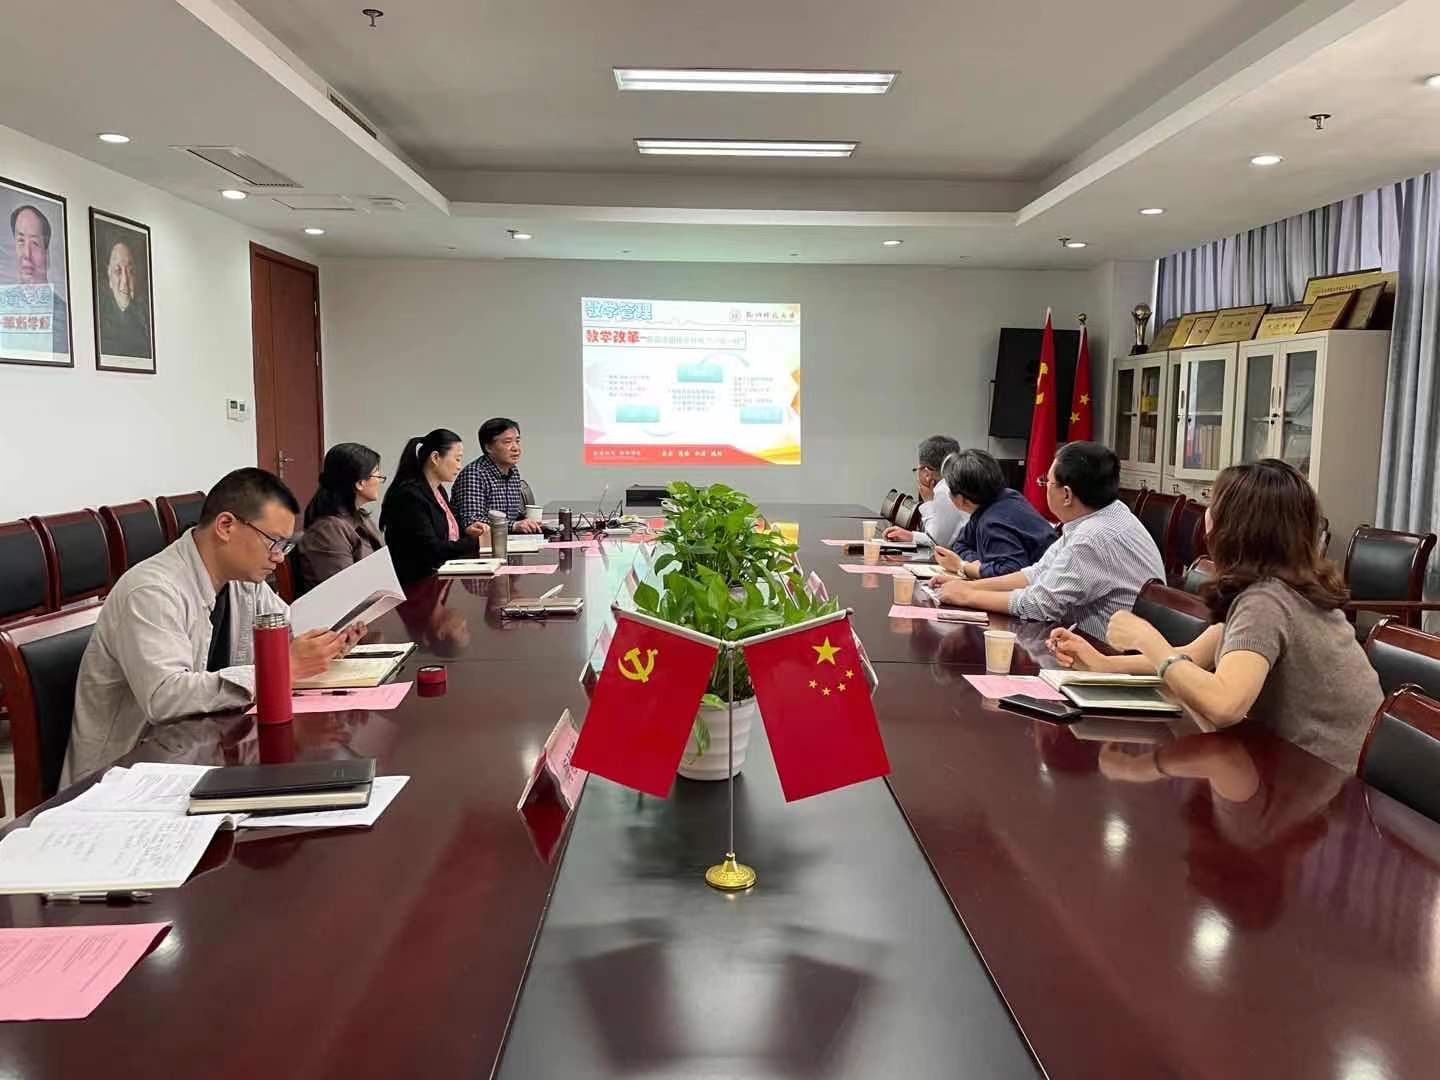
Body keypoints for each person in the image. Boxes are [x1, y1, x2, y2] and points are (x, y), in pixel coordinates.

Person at [1048, 458, 1383, 773]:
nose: (1206, 513)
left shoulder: (1266, 602)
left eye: (1214, 503)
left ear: (1237, 526)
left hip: (1324, 780)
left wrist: (1146, 639)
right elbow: (1191, 658)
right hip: (1309, 770)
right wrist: (1103, 663)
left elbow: (1224, 706)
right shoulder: (1279, 586)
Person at [65, 468, 363, 783]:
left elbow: (289, 630)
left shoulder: (244, 581)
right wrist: (281, 669)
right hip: (123, 777)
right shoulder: (152, 590)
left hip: (204, 753)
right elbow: (165, 697)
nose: (279, 558)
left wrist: (328, 640)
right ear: (225, 526)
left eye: (284, 546)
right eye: (273, 542)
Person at [933, 441, 1164, 636]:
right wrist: (967, 585)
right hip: (1087, 642)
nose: (1045, 487)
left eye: (1048, 482)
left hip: (1108, 655)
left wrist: (969, 595)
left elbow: (1039, 605)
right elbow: (1036, 574)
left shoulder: (1092, 537)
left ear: (1067, 495)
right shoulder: (1107, 514)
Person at [379, 428, 490, 584]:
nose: (459, 466)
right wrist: (477, 542)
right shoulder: (409, 496)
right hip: (418, 583)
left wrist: (467, 531)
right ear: (435, 457)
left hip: (442, 576)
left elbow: (446, 532)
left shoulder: (438, 490)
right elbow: (431, 549)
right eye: (457, 459)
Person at [931, 448, 1056, 578]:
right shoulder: (1004, 497)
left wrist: (963, 566)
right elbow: (961, 544)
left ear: (961, 499)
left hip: (1046, 583)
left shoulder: (992, 522)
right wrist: (979, 562)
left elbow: (1010, 573)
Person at [292, 442, 386, 594]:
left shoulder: (360, 517)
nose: (380, 481)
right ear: (360, 483)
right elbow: (344, 592)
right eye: (377, 475)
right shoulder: (327, 530)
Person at [452, 417, 542, 533]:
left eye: (517, 441)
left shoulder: (513, 471)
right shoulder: (474, 474)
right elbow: (473, 521)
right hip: (480, 542)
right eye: (507, 442)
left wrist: (526, 522)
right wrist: (513, 526)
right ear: (488, 447)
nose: (516, 448)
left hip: (507, 539)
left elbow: (511, 515)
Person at [4, 204, 70, 356]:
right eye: (20, 241)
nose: (26, 254)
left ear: (47, 255)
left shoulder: (65, 316)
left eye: (34, 243)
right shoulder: (4, 309)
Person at [883, 435, 966, 548]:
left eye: (917, 469)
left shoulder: (944, 489)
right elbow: (937, 537)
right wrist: (911, 536)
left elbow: (937, 542)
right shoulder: (957, 482)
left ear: (926, 473)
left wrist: (928, 502)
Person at [96, 239, 151, 357]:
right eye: (118, 271)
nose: (125, 281)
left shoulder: (147, 316)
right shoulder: (98, 318)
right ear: (109, 275)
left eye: (130, 271)